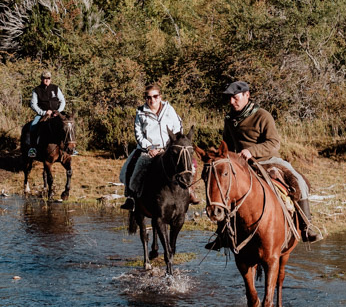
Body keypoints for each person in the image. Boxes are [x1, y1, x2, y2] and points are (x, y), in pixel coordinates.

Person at [207, 79, 320, 248]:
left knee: (299, 182)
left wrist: (252, 151)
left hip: (268, 160)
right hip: (242, 164)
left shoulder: (262, 115)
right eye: (229, 98)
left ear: (247, 95)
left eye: (235, 97)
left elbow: (274, 143)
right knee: (225, 190)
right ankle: (222, 233)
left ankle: (306, 226)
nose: (231, 101)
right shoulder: (229, 119)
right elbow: (228, 144)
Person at [120, 83, 182, 211]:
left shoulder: (169, 110)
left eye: (155, 96)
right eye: (148, 97)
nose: (152, 100)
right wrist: (150, 148)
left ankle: (190, 192)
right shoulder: (141, 112)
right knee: (132, 168)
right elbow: (139, 134)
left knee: (187, 164)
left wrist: (168, 146)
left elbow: (178, 127)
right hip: (148, 150)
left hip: (168, 148)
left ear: (160, 97)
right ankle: (131, 197)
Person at [22, 70, 76, 157]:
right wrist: (43, 112)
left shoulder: (55, 88)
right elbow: (33, 104)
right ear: (41, 79)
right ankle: (33, 149)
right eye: (45, 78)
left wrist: (58, 111)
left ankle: (71, 148)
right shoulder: (36, 90)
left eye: (48, 78)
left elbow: (62, 101)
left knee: (69, 124)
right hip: (42, 114)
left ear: (50, 79)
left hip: (57, 113)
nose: (47, 80)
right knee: (33, 126)